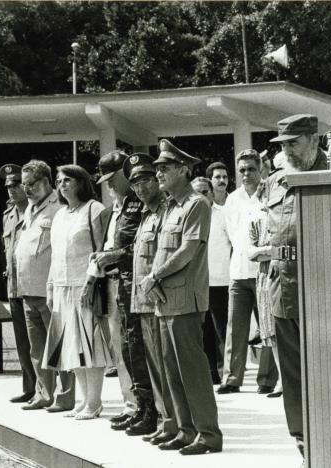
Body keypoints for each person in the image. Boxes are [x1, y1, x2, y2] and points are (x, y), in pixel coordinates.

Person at [140, 139, 222, 455]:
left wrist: (155, 276)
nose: (158, 173)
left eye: (165, 168)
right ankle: (187, 431)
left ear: (183, 170)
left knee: (193, 372)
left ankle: (209, 435)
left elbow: (188, 249)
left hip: (185, 299)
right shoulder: (171, 206)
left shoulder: (196, 204)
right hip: (165, 301)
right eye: (157, 168)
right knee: (173, 372)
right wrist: (154, 280)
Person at [264, 114, 328, 457]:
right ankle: (303, 441)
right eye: (283, 144)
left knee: (325, 368)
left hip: (320, 285)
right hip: (282, 283)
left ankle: (330, 437)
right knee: (290, 371)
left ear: (314, 140)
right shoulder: (276, 181)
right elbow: (275, 234)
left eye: (294, 142)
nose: (287, 150)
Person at [88, 150, 155, 434]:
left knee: (138, 348)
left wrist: (111, 256)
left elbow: (140, 247)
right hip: (119, 282)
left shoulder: (141, 203)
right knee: (126, 348)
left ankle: (150, 409)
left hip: (137, 282)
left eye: (113, 178)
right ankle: (137, 406)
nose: (108, 184)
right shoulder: (122, 204)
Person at [42, 164, 111, 420]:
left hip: (86, 286)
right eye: (59, 181)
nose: (62, 185)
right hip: (61, 287)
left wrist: (91, 282)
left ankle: (94, 402)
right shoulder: (60, 215)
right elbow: (55, 254)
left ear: (82, 182)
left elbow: (102, 248)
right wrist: (50, 286)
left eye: (68, 180)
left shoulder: (94, 209)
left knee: (90, 346)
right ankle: (83, 400)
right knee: (73, 347)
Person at [125, 153, 178, 445]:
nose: (141, 188)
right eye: (135, 183)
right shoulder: (145, 213)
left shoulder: (167, 210)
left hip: (158, 300)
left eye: (146, 180)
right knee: (154, 368)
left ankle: (172, 422)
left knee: (165, 366)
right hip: (141, 301)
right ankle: (164, 420)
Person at [217, 149, 279, 395]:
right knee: (235, 327)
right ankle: (232, 379)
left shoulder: (270, 194)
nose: (246, 174)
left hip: (263, 270)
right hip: (239, 271)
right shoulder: (232, 199)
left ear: (260, 169)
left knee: (267, 326)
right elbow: (233, 235)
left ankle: (267, 379)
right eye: (241, 170)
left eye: (251, 169)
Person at [15, 160, 75, 412]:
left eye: (32, 184)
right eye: (24, 184)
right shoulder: (29, 208)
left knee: (59, 344)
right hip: (28, 288)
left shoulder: (58, 206)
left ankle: (66, 395)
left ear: (46, 182)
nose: (27, 189)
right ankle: (44, 393)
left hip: (50, 289)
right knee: (37, 348)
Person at [0, 164, 36, 404]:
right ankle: (30, 387)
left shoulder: (37, 212)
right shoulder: (8, 215)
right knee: (22, 342)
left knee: (39, 341)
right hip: (14, 285)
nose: (11, 189)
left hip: (33, 284)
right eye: (8, 186)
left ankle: (47, 388)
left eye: (16, 184)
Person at [191, 176, 227, 384]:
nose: (200, 196)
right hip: (197, 281)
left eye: (204, 192)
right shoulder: (188, 215)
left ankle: (225, 374)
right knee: (203, 332)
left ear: (212, 194)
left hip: (220, 280)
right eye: (196, 192)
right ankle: (210, 373)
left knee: (222, 330)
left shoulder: (222, 215)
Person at [247, 199, 283, 398]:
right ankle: (282, 381)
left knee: (286, 328)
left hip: (282, 274)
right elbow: (250, 252)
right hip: (264, 277)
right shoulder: (256, 219)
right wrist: (270, 251)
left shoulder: (283, 217)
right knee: (271, 331)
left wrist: (266, 252)